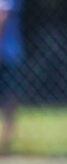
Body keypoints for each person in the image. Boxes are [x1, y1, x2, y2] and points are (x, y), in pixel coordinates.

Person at [0, 0, 23, 153]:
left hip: (6, 54)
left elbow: (3, 14)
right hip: (9, 53)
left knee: (9, 96)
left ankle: (7, 141)